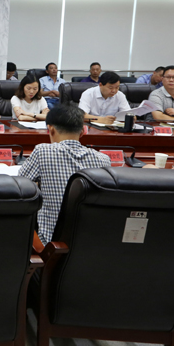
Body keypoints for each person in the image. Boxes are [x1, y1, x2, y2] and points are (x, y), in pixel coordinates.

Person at [19, 104, 111, 245]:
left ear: (50, 129)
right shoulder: (104, 159)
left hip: (50, 243)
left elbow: (20, 186)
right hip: (89, 242)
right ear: (82, 132)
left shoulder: (42, 151)